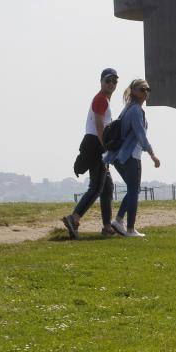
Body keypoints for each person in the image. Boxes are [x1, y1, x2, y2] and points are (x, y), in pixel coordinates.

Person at [62, 68, 119, 239]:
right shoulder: (101, 99)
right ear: (101, 82)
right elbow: (99, 126)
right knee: (96, 186)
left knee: (107, 187)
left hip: (95, 142)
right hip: (96, 143)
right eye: (108, 80)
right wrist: (105, 147)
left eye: (114, 81)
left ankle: (107, 226)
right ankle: (74, 218)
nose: (111, 84)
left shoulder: (104, 99)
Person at [103, 79, 161, 237]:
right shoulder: (135, 110)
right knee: (134, 191)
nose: (146, 92)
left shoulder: (128, 108)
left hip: (119, 157)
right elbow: (141, 135)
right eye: (142, 89)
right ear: (134, 91)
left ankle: (118, 220)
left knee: (133, 189)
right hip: (130, 156)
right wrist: (153, 155)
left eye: (148, 89)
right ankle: (129, 229)